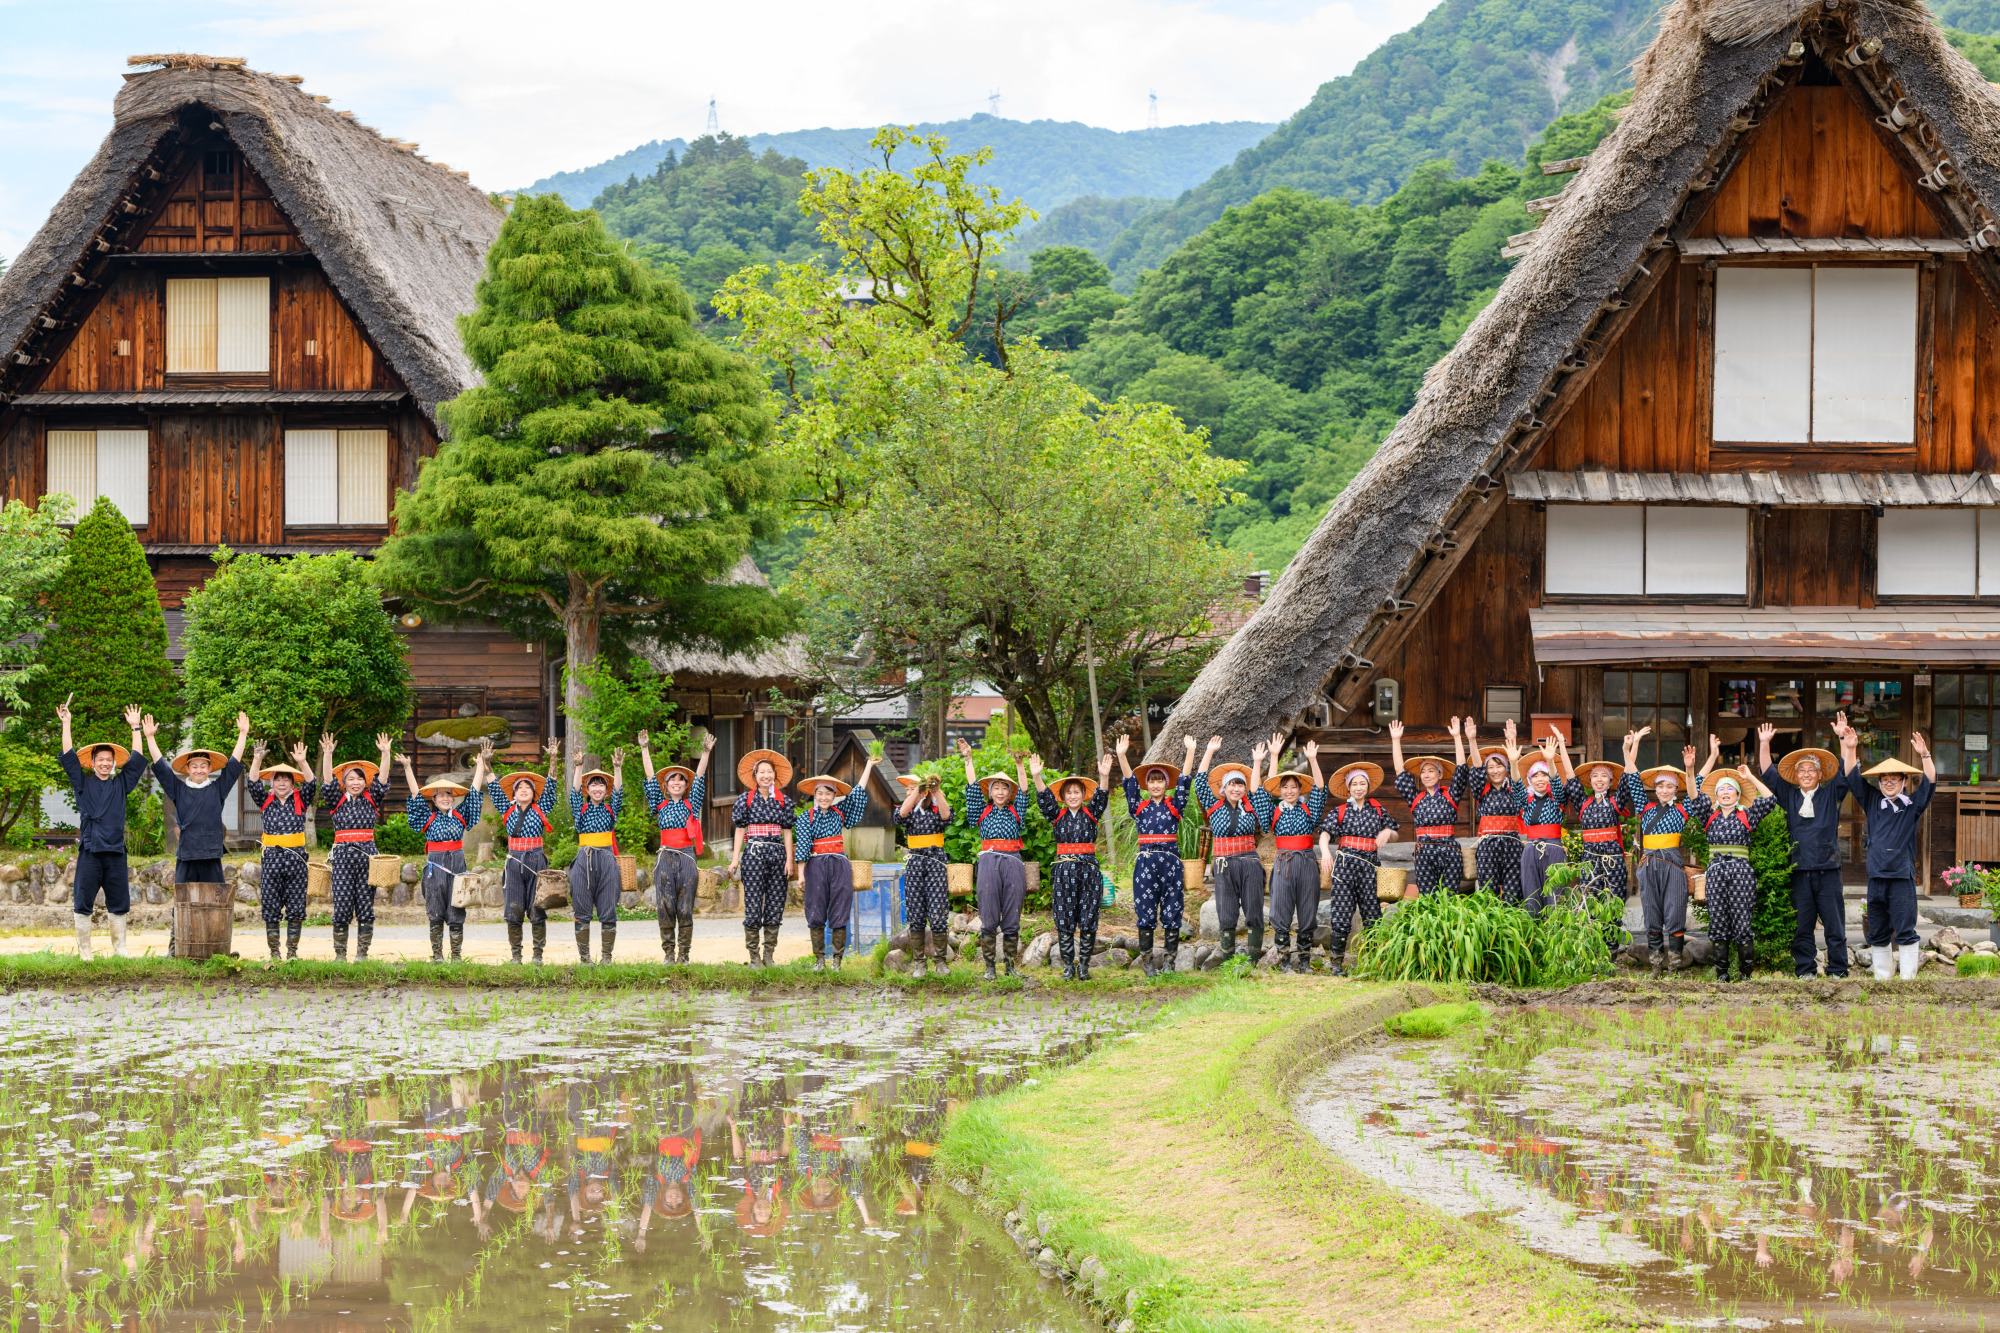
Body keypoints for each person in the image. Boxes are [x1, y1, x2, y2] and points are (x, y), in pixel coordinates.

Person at [1835, 713, 1935, 982]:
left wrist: (1925, 755)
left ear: (1904, 782)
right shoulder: (1872, 801)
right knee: (1877, 929)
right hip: (1876, 877)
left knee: (1905, 928)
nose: (1889, 783)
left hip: (1901, 877)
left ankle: (1908, 980)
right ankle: (1882, 978)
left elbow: (1930, 783)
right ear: (1880, 782)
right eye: (1885, 779)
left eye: (1895, 779)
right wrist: (1850, 746)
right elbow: (1850, 777)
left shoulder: (1911, 806)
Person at [55, 701, 146, 960]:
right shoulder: (82, 783)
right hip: (90, 850)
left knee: (119, 900)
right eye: (101, 760)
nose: (105, 763)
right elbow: (69, 755)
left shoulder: (121, 784)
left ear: (114, 763)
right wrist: (66, 723)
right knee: (82, 899)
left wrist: (135, 727)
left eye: (109, 760)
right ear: (93, 762)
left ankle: (120, 949)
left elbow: (137, 760)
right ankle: (85, 952)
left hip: (116, 850)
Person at [1757, 724, 1849, 978]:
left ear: (1820, 775)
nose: (1806, 774)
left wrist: (1843, 739)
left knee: (1835, 924)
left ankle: (1839, 970)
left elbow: (1845, 771)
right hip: (1798, 870)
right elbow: (1768, 773)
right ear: (1796, 776)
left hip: (1828, 869)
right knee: (1802, 925)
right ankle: (1805, 969)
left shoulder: (1831, 793)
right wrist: (1764, 742)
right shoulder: (1789, 795)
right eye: (1802, 770)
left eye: (1811, 770)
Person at [1118, 733, 1198, 977]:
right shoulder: (1139, 807)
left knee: (1172, 908)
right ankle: (1147, 962)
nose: (1155, 785)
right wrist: (1122, 755)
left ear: (1165, 784)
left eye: (1159, 781)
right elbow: (1130, 783)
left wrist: (1190, 752)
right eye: (1151, 781)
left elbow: (1184, 781)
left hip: (1171, 863)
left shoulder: (1174, 805)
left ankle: (1170, 961)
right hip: (1145, 863)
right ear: (1147, 784)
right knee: (1146, 909)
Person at [144, 710, 249, 894]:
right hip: (187, 853)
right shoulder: (179, 789)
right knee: (183, 899)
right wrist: (150, 737)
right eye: (194, 766)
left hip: (211, 853)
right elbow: (161, 768)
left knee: (215, 898)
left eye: (203, 766)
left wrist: (242, 734)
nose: (199, 770)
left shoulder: (218, 788)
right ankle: (179, 924)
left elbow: (233, 766)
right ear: (187, 769)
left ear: (209, 768)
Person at [1622, 729, 1700, 977]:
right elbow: (1633, 778)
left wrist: (1690, 769)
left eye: (1670, 787)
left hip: (1673, 865)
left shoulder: (1683, 809)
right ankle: (1656, 964)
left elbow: (1695, 789)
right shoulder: (1645, 809)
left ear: (1676, 789)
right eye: (1660, 786)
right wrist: (1628, 749)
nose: (1665, 790)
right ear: (1654, 789)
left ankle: (1674, 964)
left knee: (1675, 912)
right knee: (1652, 914)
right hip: (1648, 865)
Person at [399, 748, 487, 963]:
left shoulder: (461, 815)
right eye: (440, 795)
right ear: (434, 799)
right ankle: (437, 955)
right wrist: (408, 767)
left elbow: (474, 793)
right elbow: (415, 795)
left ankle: (456, 956)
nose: (445, 798)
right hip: (435, 867)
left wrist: (481, 766)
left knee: (457, 908)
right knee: (436, 911)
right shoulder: (427, 817)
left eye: (449, 794)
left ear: (453, 797)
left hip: (457, 864)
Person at [1033, 752, 1115, 980]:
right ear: (1062, 796)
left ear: (1083, 795)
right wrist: (1037, 777)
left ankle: (1084, 966)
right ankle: (1069, 966)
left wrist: (1104, 776)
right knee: (1064, 916)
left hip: (1088, 870)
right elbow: (1043, 797)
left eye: (1076, 792)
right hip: (1063, 872)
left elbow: (1102, 796)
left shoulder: (1092, 813)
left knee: (1089, 916)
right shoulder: (1056, 816)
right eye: (1068, 792)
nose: (1072, 796)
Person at [1694, 762, 1777, 983]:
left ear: (1738, 795)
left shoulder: (1747, 816)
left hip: (1741, 874)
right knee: (1718, 922)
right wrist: (1690, 766)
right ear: (1716, 796)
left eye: (1730, 788)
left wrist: (1750, 777)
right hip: (1715, 874)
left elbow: (1770, 799)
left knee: (1742, 923)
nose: (1725, 792)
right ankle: (1722, 974)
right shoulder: (1708, 817)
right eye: (1721, 789)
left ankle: (1745, 974)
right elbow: (1693, 794)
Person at [792, 757, 875, 973]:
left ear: (834, 795)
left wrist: (868, 766)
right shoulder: (805, 817)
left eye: (828, 793)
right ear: (814, 795)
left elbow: (858, 793)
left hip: (839, 864)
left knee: (840, 910)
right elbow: (802, 846)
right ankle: (819, 960)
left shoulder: (840, 812)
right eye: (820, 793)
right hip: (816, 865)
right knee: (815, 910)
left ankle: (837, 961)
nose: (824, 797)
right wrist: (801, 875)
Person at [1195, 735, 1273, 964]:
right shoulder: (1214, 806)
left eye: (1240, 784)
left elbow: (1260, 793)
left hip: (1249, 862)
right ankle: (1228, 959)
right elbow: (1200, 781)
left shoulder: (1251, 807)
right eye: (1232, 784)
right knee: (1226, 911)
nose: (1236, 789)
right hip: (1223, 863)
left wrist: (1257, 762)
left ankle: (1252, 959)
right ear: (1224, 787)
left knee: (1254, 910)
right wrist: (1209, 752)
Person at [319, 731, 395, 963]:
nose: (355, 783)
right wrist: (328, 754)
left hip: (367, 859)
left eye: (359, 779)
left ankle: (362, 954)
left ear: (365, 782)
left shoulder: (372, 799)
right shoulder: (336, 800)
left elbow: (382, 780)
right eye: (350, 779)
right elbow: (328, 781)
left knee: (365, 907)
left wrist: (385, 753)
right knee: (341, 906)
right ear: (344, 783)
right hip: (341, 860)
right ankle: (340, 955)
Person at [640, 730, 714, 966]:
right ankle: (668, 954)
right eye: (672, 779)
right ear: (666, 785)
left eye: (681, 780)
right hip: (665, 857)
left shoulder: (691, 803)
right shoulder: (659, 804)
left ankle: (684, 954)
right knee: (665, 906)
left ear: (685, 785)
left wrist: (705, 752)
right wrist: (644, 749)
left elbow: (700, 777)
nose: (676, 783)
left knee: (685, 908)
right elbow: (650, 777)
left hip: (687, 858)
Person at [487, 739, 563, 965]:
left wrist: (552, 758)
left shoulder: (542, 807)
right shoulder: (507, 808)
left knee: (538, 906)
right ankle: (516, 956)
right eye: (519, 788)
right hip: (513, 861)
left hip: (536, 859)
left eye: (527, 788)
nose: (523, 790)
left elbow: (551, 785)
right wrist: (487, 763)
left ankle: (538, 956)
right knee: (514, 907)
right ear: (514, 792)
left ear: (533, 793)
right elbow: (493, 785)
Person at [961, 738, 1032, 979]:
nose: (1000, 792)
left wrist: (1020, 764)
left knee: (1012, 914)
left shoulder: (1016, 811)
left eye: (1004, 788)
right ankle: (990, 968)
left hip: (1013, 861)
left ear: (1008, 793)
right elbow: (971, 790)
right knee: (989, 913)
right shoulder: (982, 811)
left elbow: (1024, 791)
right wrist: (968, 759)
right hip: (989, 862)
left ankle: (1010, 967)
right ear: (990, 792)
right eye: (996, 788)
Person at [1318, 759, 1396, 977]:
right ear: (1348, 787)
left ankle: (1374, 964)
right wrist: (1325, 851)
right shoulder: (1340, 811)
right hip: (1344, 868)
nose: (1359, 787)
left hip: (1370, 869)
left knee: (1372, 916)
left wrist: (1388, 833)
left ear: (1368, 786)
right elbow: (1325, 833)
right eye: (1354, 784)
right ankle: (1336, 965)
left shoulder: (1378, 810)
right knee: (1341, 916)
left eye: (1362, 783)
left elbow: (1395, 831)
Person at [245, 740, 318, 963]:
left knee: (296, 905)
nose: (282, 783)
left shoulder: (300, 799)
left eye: (287, 779)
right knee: (270, 904)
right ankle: (275, 953)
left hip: (296, 859)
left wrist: (303, 762)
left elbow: (312, 783)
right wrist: (257, 759)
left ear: (292, 783)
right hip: (271, 860)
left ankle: (292, 953)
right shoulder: (265, 799)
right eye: (278, 779)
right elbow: (252, 782)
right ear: (272, 782)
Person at [1264, 734, 1328, 973]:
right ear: (1279, 790)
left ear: (1300, 789)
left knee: (1308, 909)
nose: (1289, 791)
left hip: (1307, 862)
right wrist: (1272, 756)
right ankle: (1283, 962)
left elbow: (1321, 789)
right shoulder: (1273, 811)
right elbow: (1262, 791)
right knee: (1280, 908)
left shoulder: (1308, 809)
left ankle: (1303, 961)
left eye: (1294, 787)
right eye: (1285, 787)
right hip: (1283, 863)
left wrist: (1313, 759)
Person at [731, 749, 796, 967]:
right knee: (753, 904)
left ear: (775, 775)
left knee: (776, 903)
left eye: (769, 772)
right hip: (753, 855)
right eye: (761, 772)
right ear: (755, 775)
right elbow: (740, 830)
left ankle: (768, 955)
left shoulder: (784, 801)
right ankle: (753, 957)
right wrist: (734, 859)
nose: (766, 776)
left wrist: (789, 860)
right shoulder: (745, 800)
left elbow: (787, 831)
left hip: (778, 855)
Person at [1455, 719, 1528, 902]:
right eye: (1491, 767)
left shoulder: (1515, 789)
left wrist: (1512, 742)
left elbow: (1516, 773)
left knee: (1513, 891)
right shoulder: (1482, 791)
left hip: (1512, 845)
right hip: (1487, 846)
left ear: (1506, 768)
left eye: (1499, 766)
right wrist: (1472, 740)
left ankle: (1512, 927)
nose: (1495, 771)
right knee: (1488, 892)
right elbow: (1477, 770)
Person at [1564, 729, 1639, 905]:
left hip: (1613, 860)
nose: (1599, 779)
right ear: (1590, 781)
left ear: (1611, 781)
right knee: (1590, 902)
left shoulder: (1616, 801)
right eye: (1595, 776)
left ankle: (1613, 933)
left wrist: (1628, 748)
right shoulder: (1582, 802)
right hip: (1589, 859)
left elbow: (1629, 774)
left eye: (1604, 776)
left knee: (1614, 902)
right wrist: (1562, 743)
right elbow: (1570, 776)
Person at [1390, 719, 1461, 897]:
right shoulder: (1416, 798)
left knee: (1449, 898)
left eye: (1431, 770)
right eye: (1423, 771)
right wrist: (1396, 740)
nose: (1427, 775)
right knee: (1427, 899)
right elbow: (1400, 772)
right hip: (1424, 854)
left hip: (1450, 853)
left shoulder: (1450, 795)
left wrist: (1457, 737)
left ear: (1440, 774)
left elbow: (1461, 770)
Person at [567, 749, 624, 965]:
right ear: (588, 790)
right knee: (581, 906)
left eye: (601, 785)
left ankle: (607, 958)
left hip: (607, 860)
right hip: (583, 859)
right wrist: (578, 766)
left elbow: (619, 793)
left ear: (605, 790)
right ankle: (585, 959)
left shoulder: (611, 810)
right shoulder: (580, 810)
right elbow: (573, 792)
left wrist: (617, 769)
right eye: (593, 785)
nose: (597, 788)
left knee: (608, 907)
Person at [894, 775, 953, 978]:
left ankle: (941, 962)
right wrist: (918, 791)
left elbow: (947, 816)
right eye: (908, 790)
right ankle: (920, 964)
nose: (909, 793)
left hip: (936, 863)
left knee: (938, 914)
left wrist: (935, 791)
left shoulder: (936, 809)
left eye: (913, 789)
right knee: (916, 915)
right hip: (914, 865)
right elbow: (900, 814)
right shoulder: (908, 812)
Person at [1515, 734, 1570, 916]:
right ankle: (1534, 939)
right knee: (1531, 896)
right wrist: (1513, 763)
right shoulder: (1526, 801)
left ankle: (1555, 937)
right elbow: (1516, 785)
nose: (1540, 779)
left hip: (1553, 849)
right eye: (1535, 776)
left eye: (1544, 775)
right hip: (1530, 850)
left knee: (1555, 897)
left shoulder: (1557, 799)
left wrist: (1550, 761)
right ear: (1530, 780)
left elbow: (1556, 783)